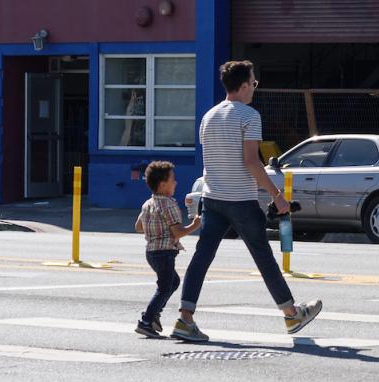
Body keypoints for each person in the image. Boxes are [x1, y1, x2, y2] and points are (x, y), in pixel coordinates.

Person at [172, 60, 322, 343]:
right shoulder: (249, 116)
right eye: (253, 83)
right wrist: (277, 196)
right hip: (240, 199)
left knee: (202, 257)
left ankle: (185, 318)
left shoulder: (208, 116)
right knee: (263, 257)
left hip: (212, 197)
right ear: (242, 86)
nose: (254, 87)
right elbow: (251, 162)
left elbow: (213, 160)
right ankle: (291, 314)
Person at [134, 161, 201, 338]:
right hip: (164, 253)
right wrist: (195, 225)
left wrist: (154, 226)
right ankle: (147, 320)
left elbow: (139, 227)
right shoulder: (169, 205)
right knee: (164, 287)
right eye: (173, 180)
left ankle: (154, 314)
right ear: (163, 185)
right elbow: (178, 232)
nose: (176, 182)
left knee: (173, 282)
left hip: (151, 253)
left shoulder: (148, 203)